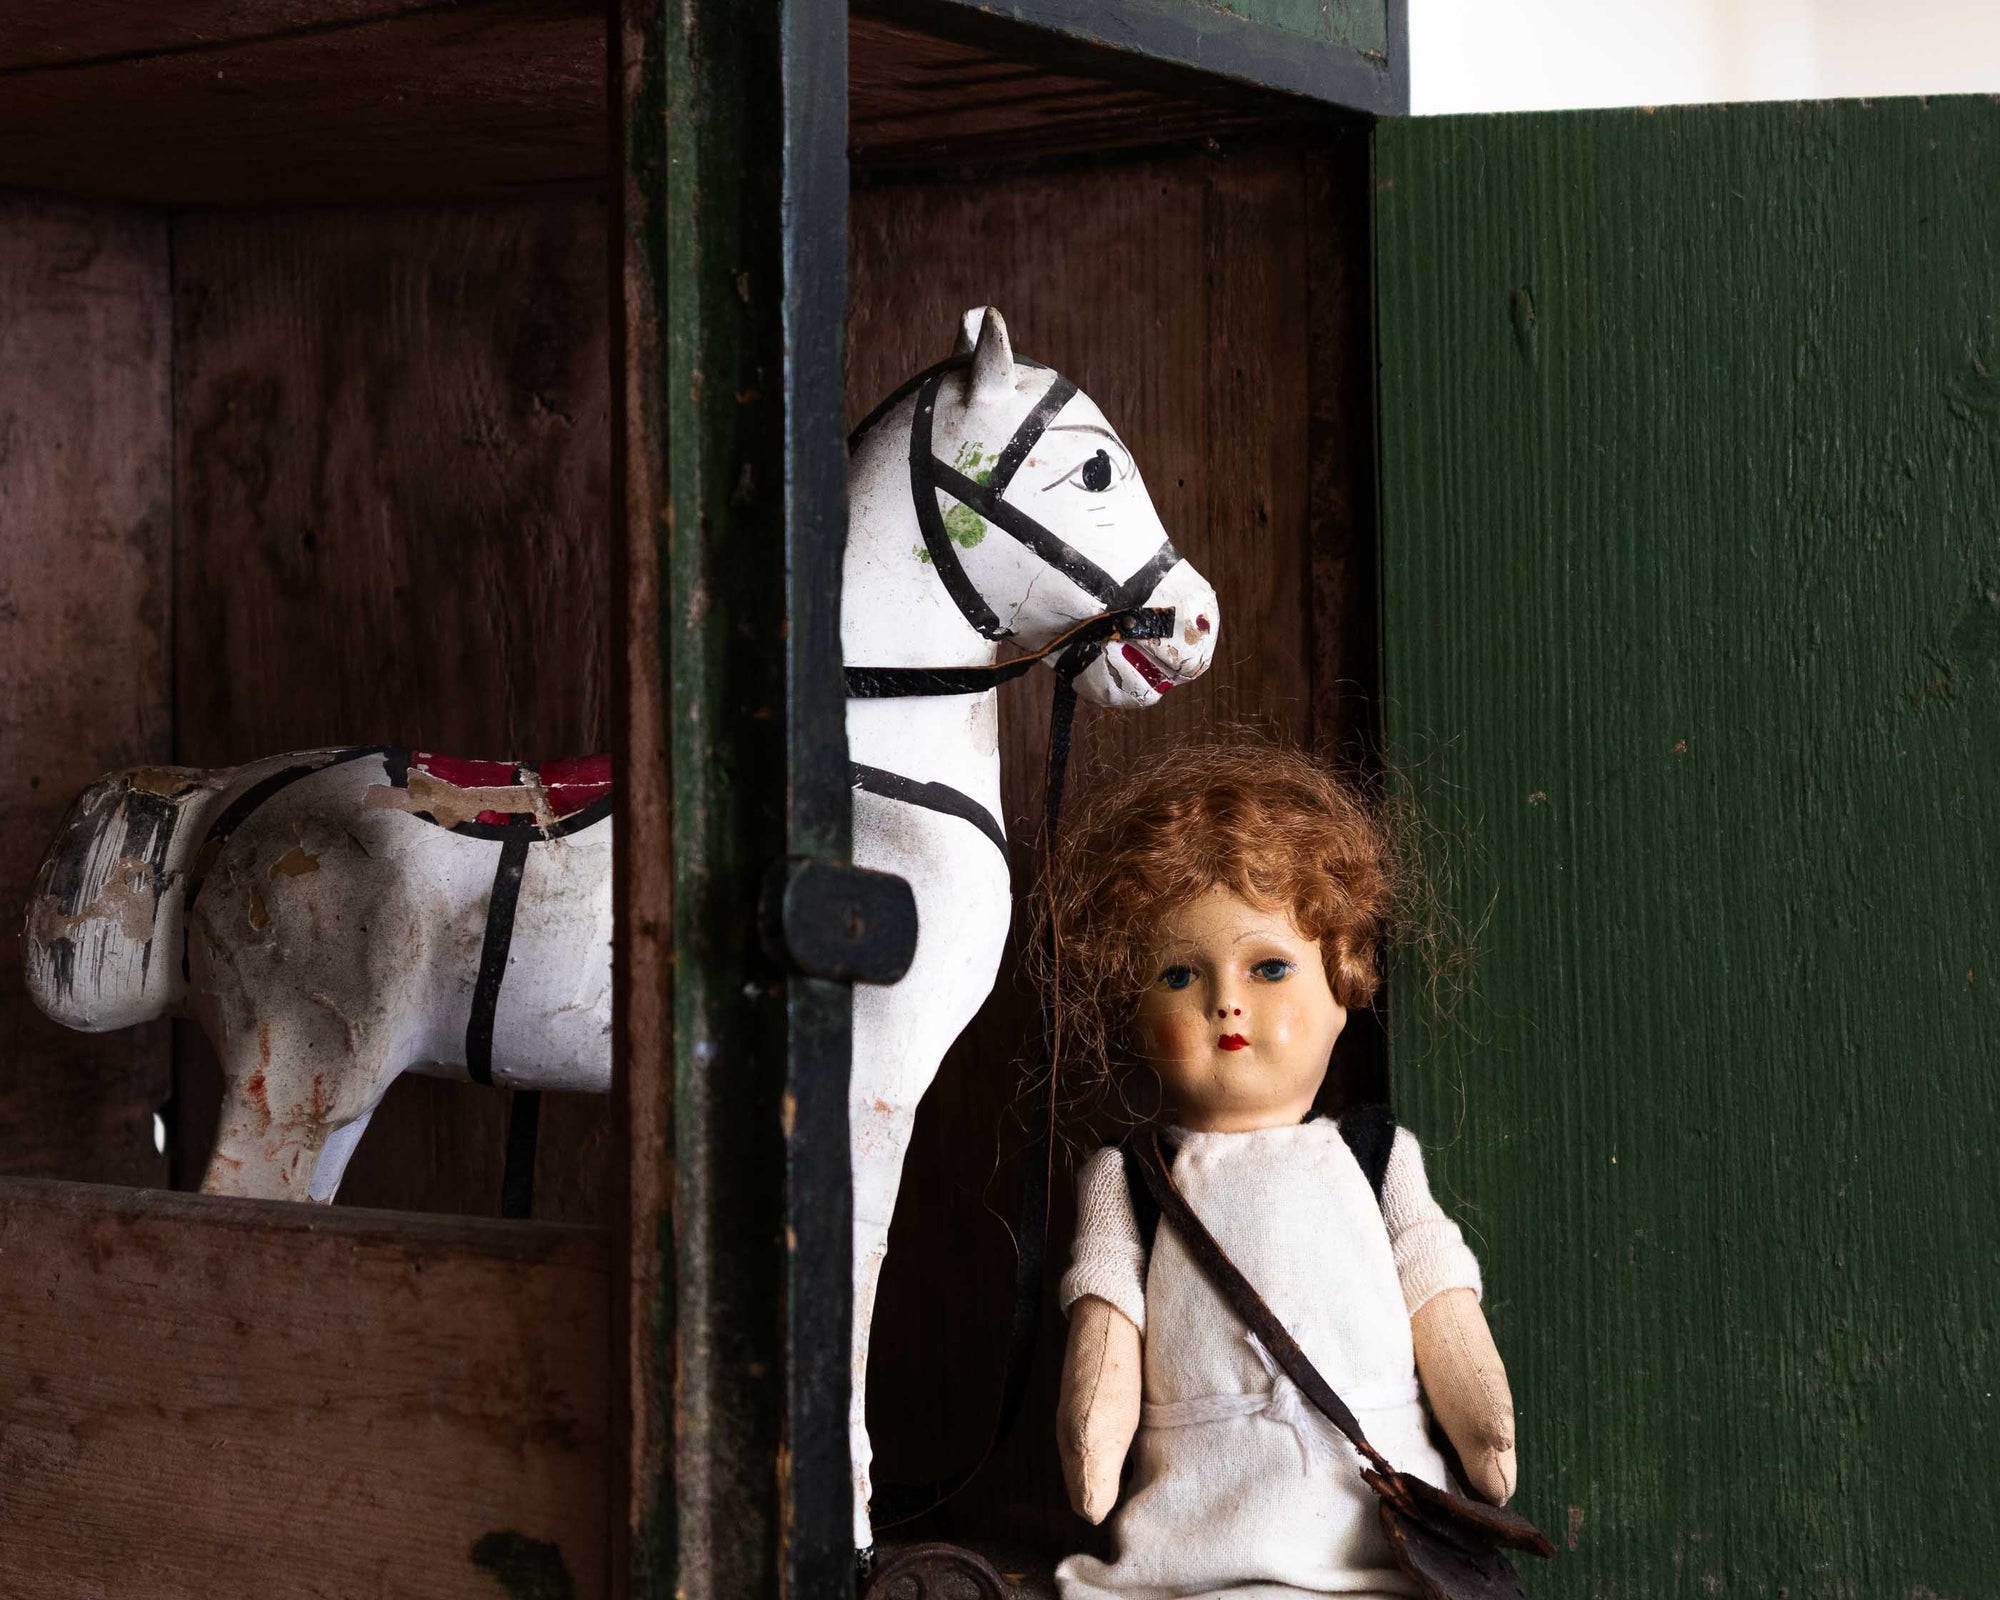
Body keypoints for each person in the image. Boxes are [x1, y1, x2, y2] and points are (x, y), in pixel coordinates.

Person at [1043, 740, 1517, 1600]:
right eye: (1180, 973)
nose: (1227, 1000)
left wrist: (1483, 1424)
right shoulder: (1133, 1177)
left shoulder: (1376, 1160)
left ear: (1345, 980)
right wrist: (1093, 1438)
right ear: (1136, 1014)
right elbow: (1106, 1317)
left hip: (1370, 1525)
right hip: (1197, 1519)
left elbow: (1437, 1297)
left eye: (1269, 968)